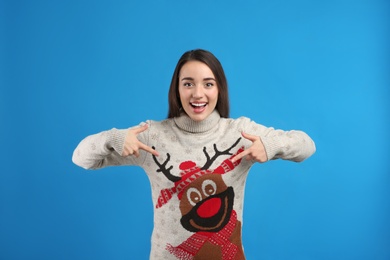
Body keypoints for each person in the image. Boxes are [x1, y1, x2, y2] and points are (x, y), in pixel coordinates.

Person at [72, 49, 316, 260]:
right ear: (177, 89)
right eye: (188, 83)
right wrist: (113, 138)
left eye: (208, 84)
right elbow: (80, 157)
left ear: (219, 88)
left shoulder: (240, 134)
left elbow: (307, 145)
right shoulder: (152, 136)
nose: (198, 94)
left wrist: (271, 145)